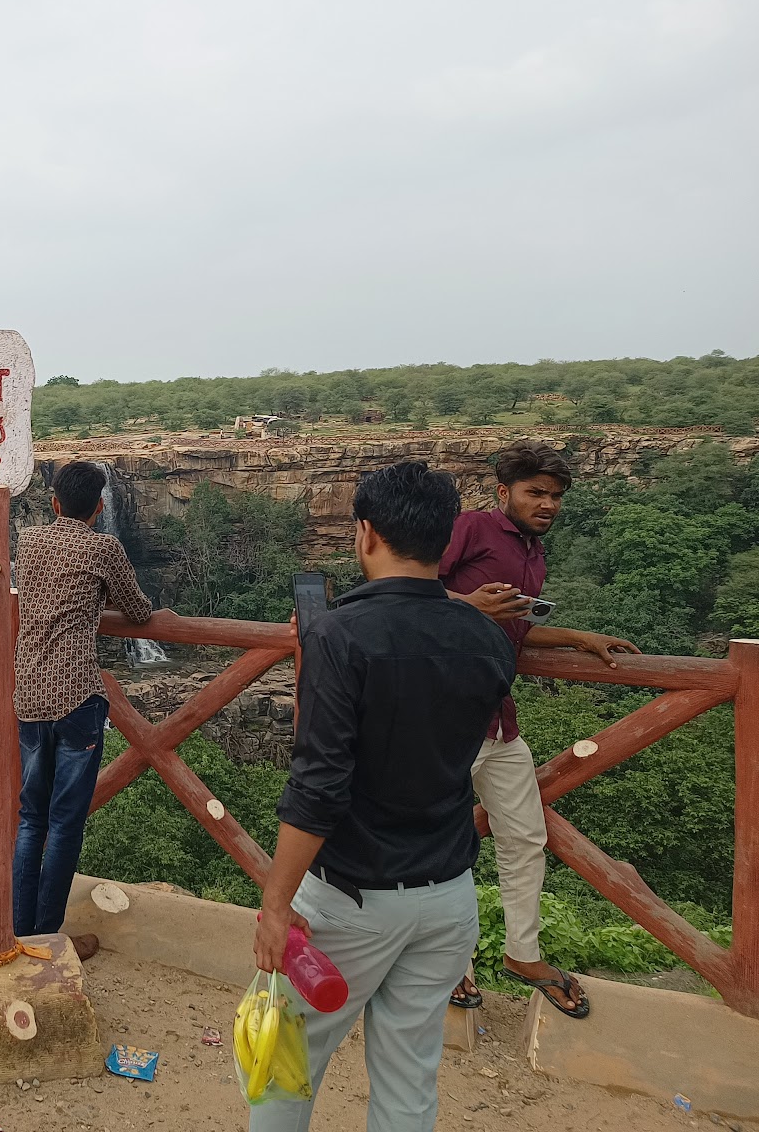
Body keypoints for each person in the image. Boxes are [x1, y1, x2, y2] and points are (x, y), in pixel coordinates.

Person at [252, 461, 517, 1132]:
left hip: (353, 899)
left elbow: (319, 783)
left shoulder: (339, 635)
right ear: (445, 536)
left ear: (365, 534)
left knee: (287, 1067)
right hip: (449, 896)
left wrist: (276, 903)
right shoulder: (487, 638)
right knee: (408, 1081)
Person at [439, 440, 638, 1018]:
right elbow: (409, 589)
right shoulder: (471, 528)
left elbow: (518, 628)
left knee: (525, 839)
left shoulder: (534, 552)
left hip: (499, 722)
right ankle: (451, 965)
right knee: (446, 848)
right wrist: (467, 603)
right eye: (535, 492)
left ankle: (522, 954)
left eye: (554, 496)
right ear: (504, 492)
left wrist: (577, 637)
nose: (547, 503)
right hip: (447, 718)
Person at [12, 460, 156, 960]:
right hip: (75, 697)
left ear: (53, 503)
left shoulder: (28, 542)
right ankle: (47, 938)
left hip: (28, 694)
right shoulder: (102, 546)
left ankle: (17, 931)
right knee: (65, 822)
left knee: (30, 819)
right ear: (99, 507)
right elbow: (137, 610)